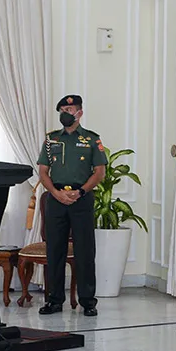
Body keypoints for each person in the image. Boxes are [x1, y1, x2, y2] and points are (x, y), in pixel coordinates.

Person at [36, 94, 106, 317]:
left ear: (80, 113)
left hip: (82, 199)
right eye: (63, 111)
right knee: (54, 250)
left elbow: (100, 172)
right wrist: (55, 193)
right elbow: (43, 172)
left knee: (85, 251)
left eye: (70, 110)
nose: (66, 114)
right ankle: (54, 300)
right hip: (56, 199)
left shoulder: (92, 140)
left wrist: (81, 191)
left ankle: (88, 301)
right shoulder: (51, 140)